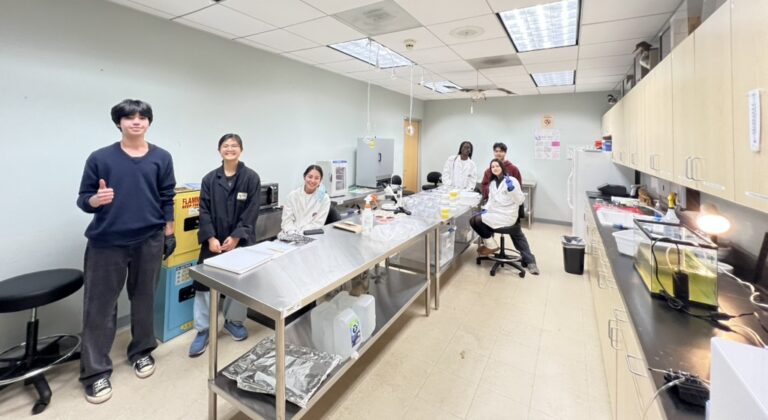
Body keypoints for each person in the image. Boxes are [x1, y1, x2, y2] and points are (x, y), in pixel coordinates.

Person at [76, 99, 176, 404]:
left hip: (149, 239)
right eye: (129, 117)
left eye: (142, 117)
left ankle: (141, 352)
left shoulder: (162, 157)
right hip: (107, 243)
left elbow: (167, 195)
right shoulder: (100, 158)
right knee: (100, 307)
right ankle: (95, 372)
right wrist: (96, 200)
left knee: (144, 299)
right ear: (119, 122)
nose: (136, 121)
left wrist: (168, 233)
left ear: (148, 122)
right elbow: (83, 199)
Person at [189, 133, 261, 357]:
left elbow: (251, 211)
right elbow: (204, 211)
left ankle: (234, 321)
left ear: (241, 149)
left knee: (238, 284)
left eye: (234, 146)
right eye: (226, 146)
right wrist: (210, 238)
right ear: (219, 150)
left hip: (239, 241)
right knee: (203, 286)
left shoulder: (251, 178)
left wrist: (237, 237)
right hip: (213, 241)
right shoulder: (210, 179)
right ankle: (203, 329)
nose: (230, 149)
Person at [480, 142, 540, 275]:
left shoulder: (513, 169)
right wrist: (489, 192)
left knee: (517, 234)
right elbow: (484, 185)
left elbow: (518, 192)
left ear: (505, 153)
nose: (498, 153)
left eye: (501, 151)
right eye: (496, 151)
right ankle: (491, 248)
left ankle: (530, 261)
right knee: (484, 224)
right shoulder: (489, 170)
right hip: (494, 209)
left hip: (510, 210)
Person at [470, 159, 525, 258]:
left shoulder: (512, 181)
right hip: (496, 213)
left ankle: (492, 246)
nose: (495, 168)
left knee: (477, 220)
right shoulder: (492, 183)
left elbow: (520, 201)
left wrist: (512, 189)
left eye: (497, 166)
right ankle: (490, 244)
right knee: (473, 220)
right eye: (492, 167)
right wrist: (485, 209)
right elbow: (491, 201)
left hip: (507, 215)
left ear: (502, 167)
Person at [280, 165, 331, 236]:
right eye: (310, 177)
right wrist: (292, 233)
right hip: (289, 234)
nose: (312, 181)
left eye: (316, 178)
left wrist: (301, 232)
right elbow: (286, 221)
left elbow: (318, 223)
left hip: (310, 235)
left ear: (320, 180)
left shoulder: (324, 198)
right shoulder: (292, 196)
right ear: (304, 177)